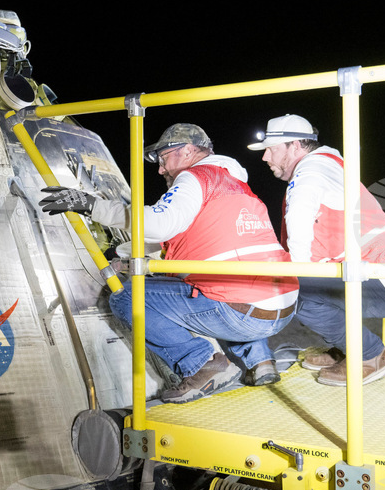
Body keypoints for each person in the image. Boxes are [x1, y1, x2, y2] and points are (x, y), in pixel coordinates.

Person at [39, 123, 298, 403]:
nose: (161, 169)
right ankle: (260, 363)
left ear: (188, 151)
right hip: (281, 306)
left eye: (164, 159)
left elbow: (160, 225)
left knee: (127, 297)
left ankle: (201, 364)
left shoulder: (195, 177)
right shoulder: (234, 185)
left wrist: (92, 205)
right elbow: (175, 242)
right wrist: (123, 255)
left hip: (241, 312)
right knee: (223, 285)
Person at [247, 114, 385, 386]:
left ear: (295, 146)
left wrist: (296, 274)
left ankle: (370, 355)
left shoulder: (311, 171)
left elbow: (299, 217)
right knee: (307, 288)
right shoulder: (327, 164)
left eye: (271, 149)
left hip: (382, 273)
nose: (265, 157)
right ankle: (345, 349)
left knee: (297, 294)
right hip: (381, 267)